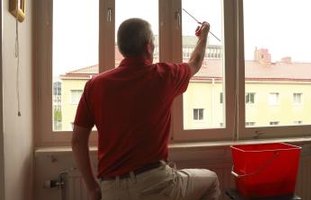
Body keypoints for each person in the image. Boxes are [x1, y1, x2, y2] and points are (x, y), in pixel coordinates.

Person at [71, 18, 220, 200]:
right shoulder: (164, 76)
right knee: (211, 180)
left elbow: (77, 141)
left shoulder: (94, 85)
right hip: (155, 184)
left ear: (122, 48)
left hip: (111, 189)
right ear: (148, 46)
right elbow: (195, 62)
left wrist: (93, 188)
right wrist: (203, 36)